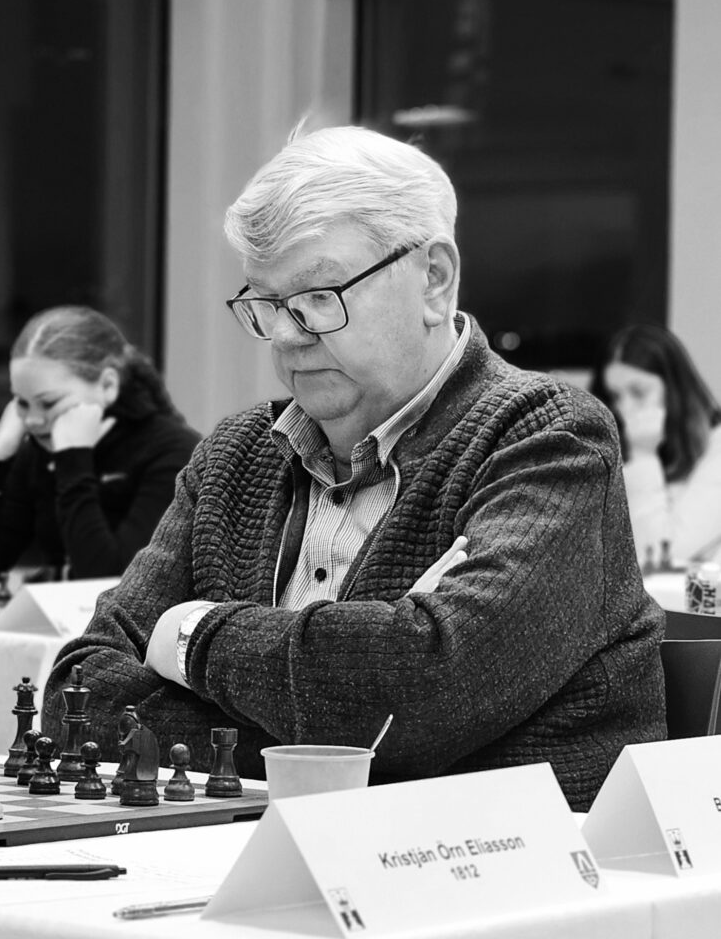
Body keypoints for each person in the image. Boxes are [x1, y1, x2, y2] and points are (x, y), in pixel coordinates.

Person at [43, 126, 665, 811]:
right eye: (267, 304)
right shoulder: (235, 454)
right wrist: (343, 729)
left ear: (433, 279)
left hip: (486, 857)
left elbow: (423, 695)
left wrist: (192, 636)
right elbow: (77, 697)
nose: (286, 336)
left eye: (318, 297)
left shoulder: (547, 438)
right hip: (240, 847)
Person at [0, 305, 200, 585]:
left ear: (107, 386)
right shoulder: (38, 452)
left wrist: (74, 462)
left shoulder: (173, 453)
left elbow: (118, 588)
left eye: (49, 403)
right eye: (22, 403)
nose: (32, 420)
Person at [592, 323, 721, 568]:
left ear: (674, 388)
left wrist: (644, 455)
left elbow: (662, 555)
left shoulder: (717, 446)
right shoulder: (618, 449)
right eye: (616, 396)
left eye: (639, 392)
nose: (625, 409)